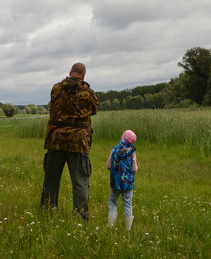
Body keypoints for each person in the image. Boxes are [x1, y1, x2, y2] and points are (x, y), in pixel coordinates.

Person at [40, 62, 99, 219]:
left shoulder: (56, 88)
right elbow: (94, 109)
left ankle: (47, 213)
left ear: (70, 72)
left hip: (55, 139)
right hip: (78, 142)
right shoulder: (88, 93)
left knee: (51, 180)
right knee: (80, 183)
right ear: (83, 76)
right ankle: (80, 218)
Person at [107, 129, 138, 230]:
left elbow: (108, 166)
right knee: (128, 204)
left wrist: (114, 173)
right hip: (128, 183)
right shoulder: (132, 152)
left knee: (112, 201)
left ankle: (111, 224)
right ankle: (128, 228)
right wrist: (131, 175)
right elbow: (134, 168)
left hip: (115, 182)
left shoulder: (114, 149)